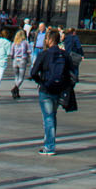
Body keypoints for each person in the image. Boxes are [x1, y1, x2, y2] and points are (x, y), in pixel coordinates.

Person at [32, 27, 75, 156]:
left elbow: (33, 72)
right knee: (52, 116)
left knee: (48, 118)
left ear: (50, 40)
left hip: (46, 89)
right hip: (59, 90)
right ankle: (49, 142)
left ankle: (49, 146)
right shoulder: (65, 55)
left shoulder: (44, 54)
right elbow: (71, 73)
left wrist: (40, 81)